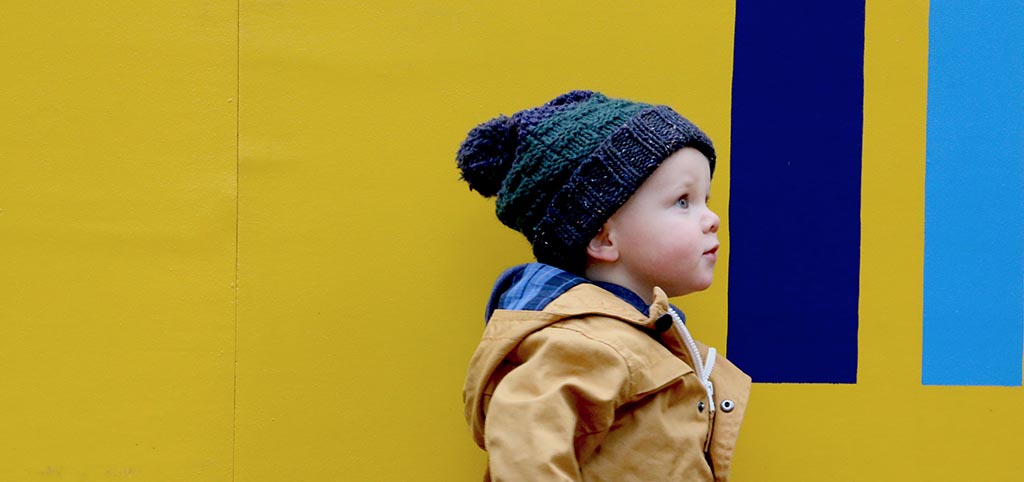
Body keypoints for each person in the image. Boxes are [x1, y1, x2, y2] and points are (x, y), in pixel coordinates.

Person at [457, 90, 751, 481]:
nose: (712, 218)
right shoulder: (582, 345)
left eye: (705, 199)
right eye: (683, 201)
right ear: (603, 237)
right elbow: (524, 451)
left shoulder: (638, 335)